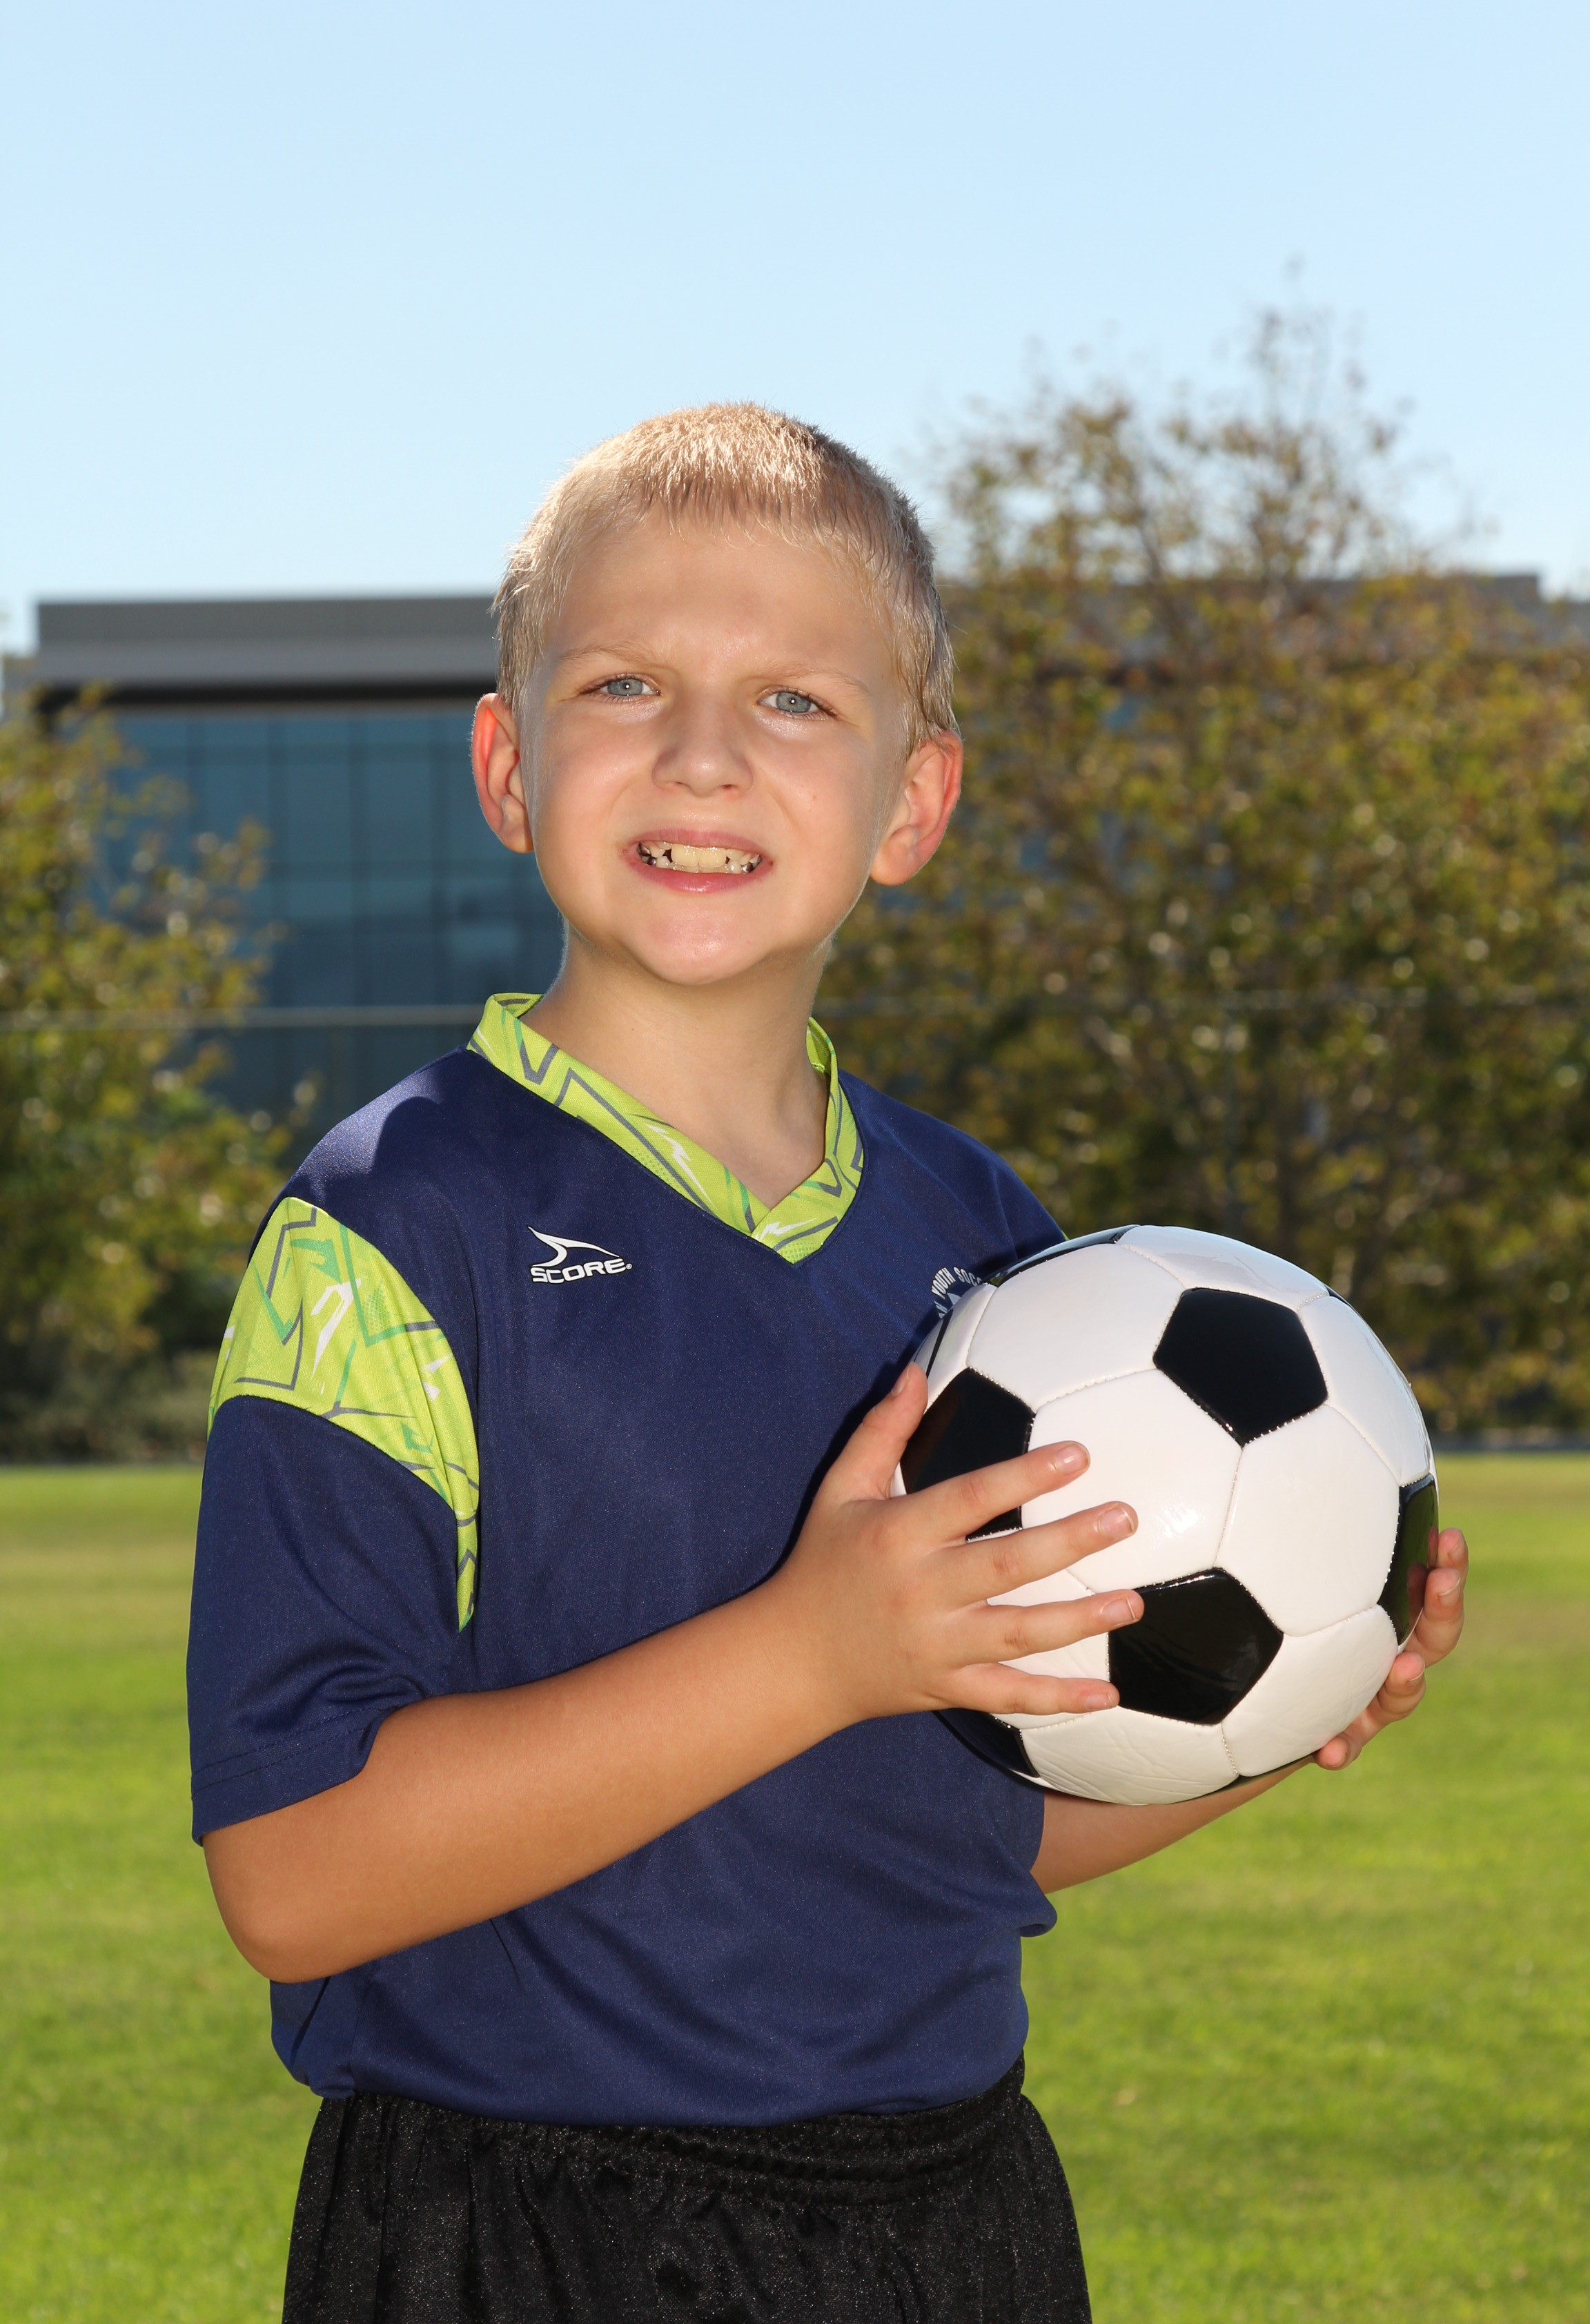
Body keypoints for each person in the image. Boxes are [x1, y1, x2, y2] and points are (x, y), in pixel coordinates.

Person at [188, 405, 1468, 2324]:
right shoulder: (391, 1230)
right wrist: (812, 1653)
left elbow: (962, 1818)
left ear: (912, 803)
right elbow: (294, 1876)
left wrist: (1270, 1711)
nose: (703, 752)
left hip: (948, 2213)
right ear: (509, 765)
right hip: (521, 2223)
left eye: (795, 700)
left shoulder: (1007, 1263)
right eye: (624, 684)